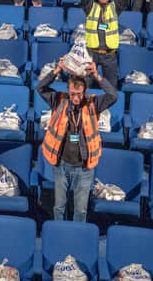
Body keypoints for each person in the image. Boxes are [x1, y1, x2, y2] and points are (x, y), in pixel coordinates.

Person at [37, 58, 118, 222]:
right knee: (59, 207)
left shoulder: (93, 103)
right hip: (61, 164)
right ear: (68, 91)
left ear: (85, 91)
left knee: (80, 210)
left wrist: (96, 75)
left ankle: (77, 238)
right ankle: (59, 235)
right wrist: (57, 70)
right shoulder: (58, 100)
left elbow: (113, 95)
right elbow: (40, 87)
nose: (75, 98)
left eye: (79, 94)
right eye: (72, 94)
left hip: (84, 167)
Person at [80, 0, 130, 88]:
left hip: (109, 55)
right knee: (85, 87)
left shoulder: (115, 7)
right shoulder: (90, 7)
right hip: (92, 54)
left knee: (111, 89)